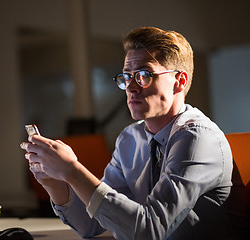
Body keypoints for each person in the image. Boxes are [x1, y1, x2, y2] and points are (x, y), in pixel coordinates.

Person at [20, 27, 233, 240]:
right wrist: (55, 183)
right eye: (126, 76)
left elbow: (149, 231)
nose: (130, 87)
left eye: (143, 75)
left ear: (180, 81)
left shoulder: (197, 139)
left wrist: (73, 171)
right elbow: (90, 224)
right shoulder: (131, 139)